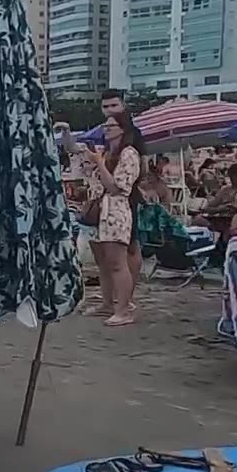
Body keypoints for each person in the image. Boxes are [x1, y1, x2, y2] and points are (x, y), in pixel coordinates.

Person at [85, 111, 144, 326]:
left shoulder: (128, 154)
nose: (106, 129)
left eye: (111, 126)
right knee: (107, 262)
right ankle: (110, 304)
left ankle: (123, 308)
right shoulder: (112, 152)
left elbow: (117, 186)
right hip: (105, 211)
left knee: (118, 263)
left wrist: (100, 163)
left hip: (117, 211)